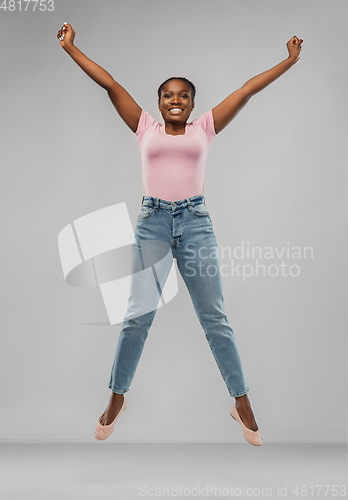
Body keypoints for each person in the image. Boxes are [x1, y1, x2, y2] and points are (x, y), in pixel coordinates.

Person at [57, 23, 303, 446]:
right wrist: (71, 49)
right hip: (152, 222)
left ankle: (240, 400)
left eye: (183, 95)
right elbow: (109, 84)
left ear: (192, 104)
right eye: (168, 95)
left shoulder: (203, 129)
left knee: (215, 319)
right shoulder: (145, 129)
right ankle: (117, 397)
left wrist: (289, 60)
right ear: (158, 103)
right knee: (137, 318)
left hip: (195, 224)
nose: (175, 100)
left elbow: (246, 90)